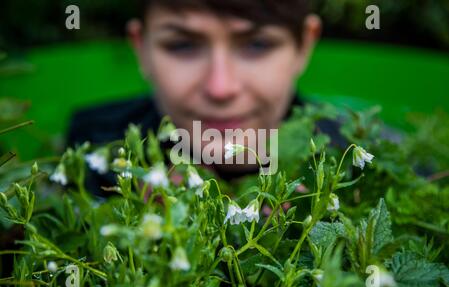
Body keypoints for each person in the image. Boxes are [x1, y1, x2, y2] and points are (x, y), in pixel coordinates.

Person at [67, 0, 345, 195]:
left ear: (304, 46)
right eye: (182, 45)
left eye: (257, 44)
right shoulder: (91, 144)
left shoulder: (355, 160)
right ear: (141, 48)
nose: (220, 88)